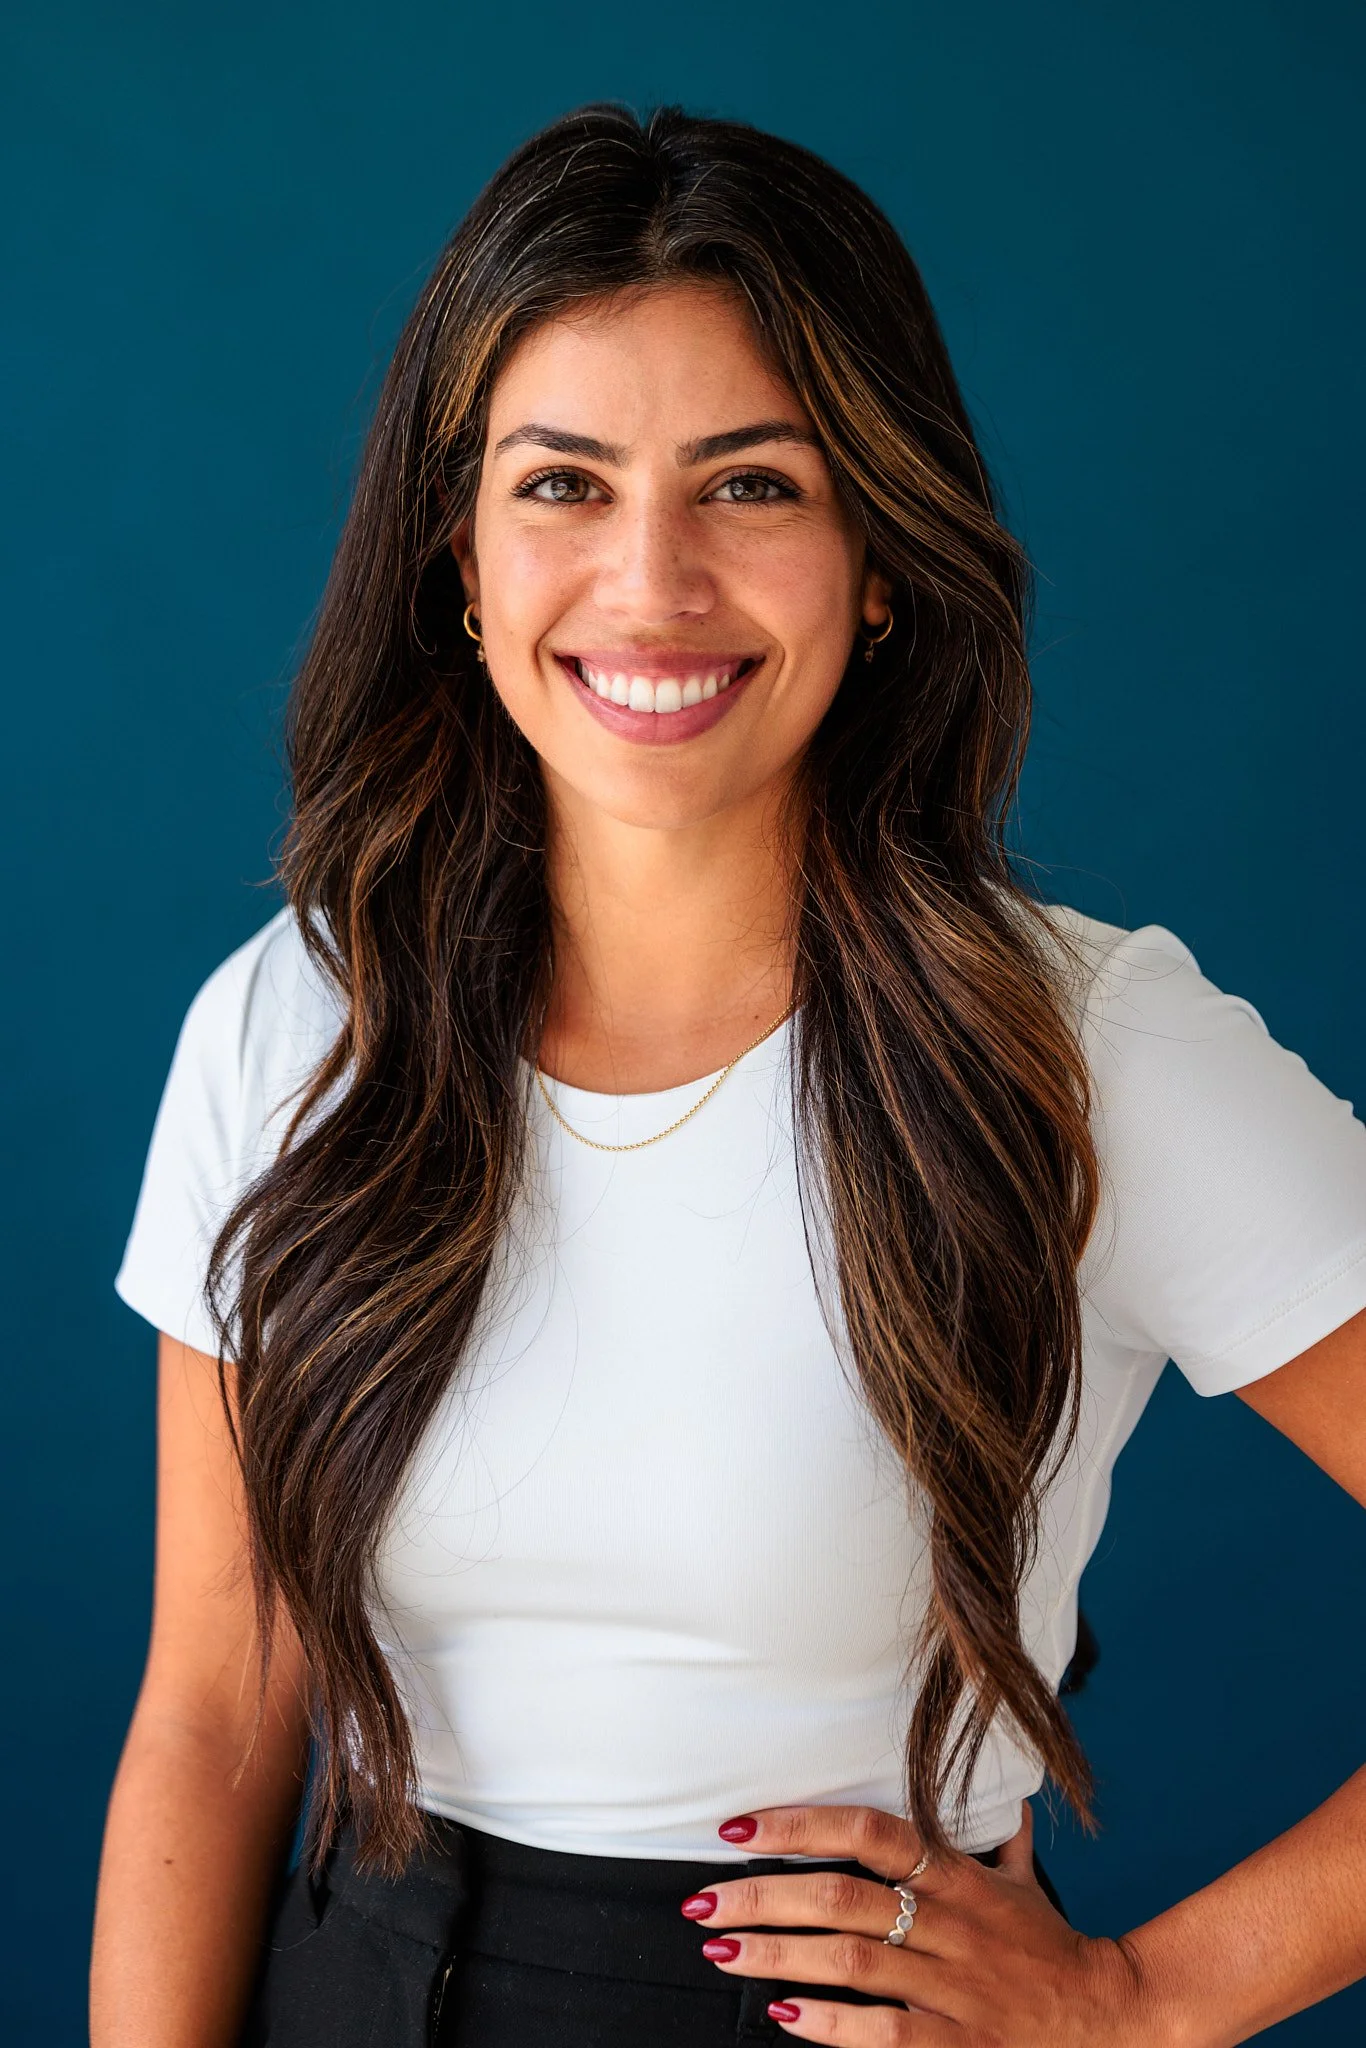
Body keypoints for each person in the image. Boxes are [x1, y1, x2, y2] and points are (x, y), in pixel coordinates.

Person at [90, 103, 1366, 2048]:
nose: (651, 579)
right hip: (339, 1983)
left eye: (750, 486)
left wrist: (1147, 1999)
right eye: (564, 484)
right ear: (459, 555)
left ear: (877, 556)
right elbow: (215, 1696)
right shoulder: (289, 1027)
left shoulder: (1085, 1055)